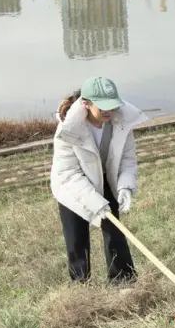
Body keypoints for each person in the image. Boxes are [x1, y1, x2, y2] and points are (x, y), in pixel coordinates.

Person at [50, 76, 148, 284]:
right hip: (71, 185)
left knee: (114, 230)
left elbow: (127, 158)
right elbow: (68, 173)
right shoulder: (68, 130)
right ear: (86, 103)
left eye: (112, 106)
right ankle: (80, 283)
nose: (108, 111)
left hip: (105, 178)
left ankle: (123, 278)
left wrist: (125, 186)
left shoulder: (121, 121)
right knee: (76, 237)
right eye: (102, 107)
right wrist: (95, 202)